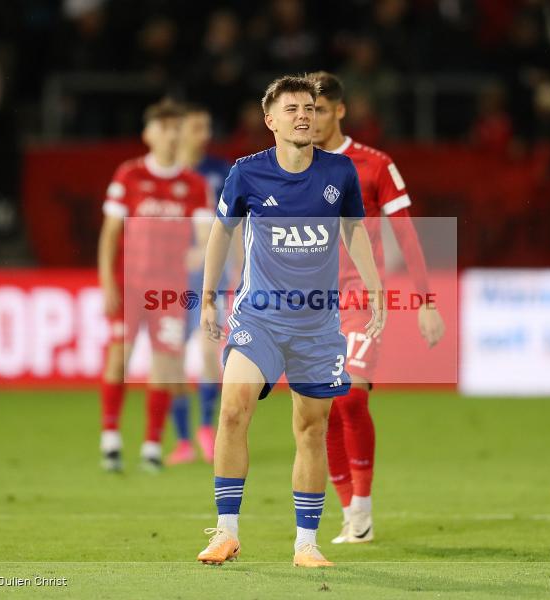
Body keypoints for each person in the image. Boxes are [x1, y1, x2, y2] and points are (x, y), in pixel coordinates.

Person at [195, 75, 385, 568]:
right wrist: (210, 297)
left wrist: (374, 286)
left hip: (317, 326)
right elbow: (221, 232)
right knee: (233, 409)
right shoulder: (247, 173)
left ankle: (306, 544)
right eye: (293, 109)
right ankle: (226, 532)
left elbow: (354, 230)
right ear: (271, 121)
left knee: (311, 427)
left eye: (310, 108)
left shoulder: (340, 171)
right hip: (259, 318)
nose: (304, 115)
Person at [308, 71, 445, 544]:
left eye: (319, 110)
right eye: (303, 110)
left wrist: (426, 301)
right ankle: (351, 513)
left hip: (360, 298)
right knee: (321, 409)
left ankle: (362, 509)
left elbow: (405, 231)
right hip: (309, 304)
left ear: (340, 111)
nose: (310, 119)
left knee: (350, 395)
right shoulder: (291, 164)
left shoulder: (374, 164)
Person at [97, 99, 210, 473]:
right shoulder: (129, 175)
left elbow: (205, 234)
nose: (171, 135)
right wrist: (105, 281)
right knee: (120, 356)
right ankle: (110, 438)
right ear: (148, 134)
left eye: (177, 128)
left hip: (168, 291)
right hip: (128, 285)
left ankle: (151, 445)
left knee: (164, 365)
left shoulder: (193, 185)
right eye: (164, 128)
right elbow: (110, 233)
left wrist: (201, 251)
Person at [167, 104, 232, 466]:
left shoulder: (222, 172)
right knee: (171, 357)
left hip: (210, 278)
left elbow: (236, 225)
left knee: (209, 351)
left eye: (207, 127)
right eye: (196, 127)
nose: (204, 134)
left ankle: (206, 427)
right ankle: (182, 440)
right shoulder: (164, 175)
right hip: (168, 279)